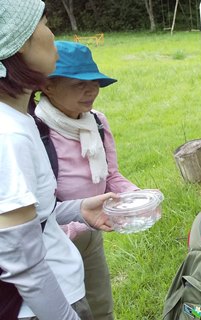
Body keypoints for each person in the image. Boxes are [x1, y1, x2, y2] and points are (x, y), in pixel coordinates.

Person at [0, 1, 114, 319]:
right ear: (16, 41)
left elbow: (29, 218)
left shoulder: (18, 120)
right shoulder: (9, 134)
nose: (52, 36)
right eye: (46, 24)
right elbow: (24, 263)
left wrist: (77, 208)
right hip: (45, 306)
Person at [31, 40, 139, 320]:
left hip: (91, 232)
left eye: (94, 82)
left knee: (101, 303)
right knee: (71, 308)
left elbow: (111, 176)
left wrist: (137, 196)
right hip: (54, 239)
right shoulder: (35, 130)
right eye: (78, 83)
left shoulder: (97, 123)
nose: (90, 90)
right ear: (48, 85)